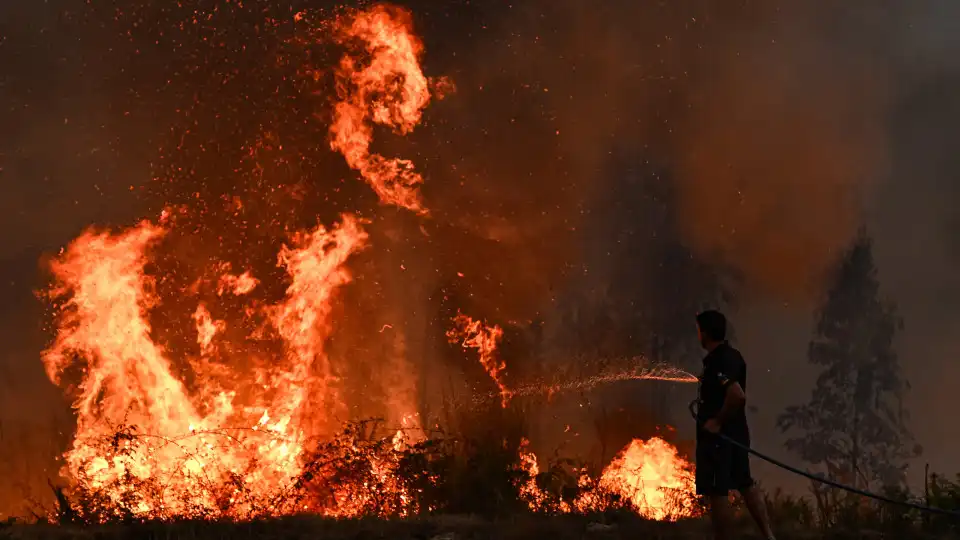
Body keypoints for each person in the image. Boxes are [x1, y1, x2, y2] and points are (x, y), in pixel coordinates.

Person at [694, 310, 775, 540]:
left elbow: (737, 395)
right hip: (737, 434)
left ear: (706, 333)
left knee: (717, 492)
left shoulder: (719, 361)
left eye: (699, 330)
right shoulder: (732, 356)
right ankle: (768, 536)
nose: (698, 335)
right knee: (745, 482)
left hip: (721, 439)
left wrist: (717, 422)